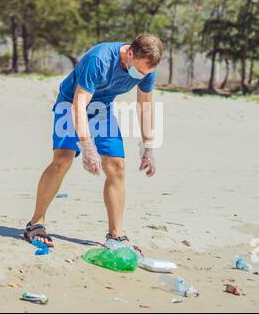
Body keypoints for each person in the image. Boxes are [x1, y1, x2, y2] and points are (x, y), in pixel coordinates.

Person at [24, 33, 164, 252]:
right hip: (71, 103)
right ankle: (36, 224)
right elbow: (78, 105)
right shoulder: (99, 59)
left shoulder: (147, 70)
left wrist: (148, 146)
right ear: (129, 53)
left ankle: (115, 236)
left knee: (117, 165)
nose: (142, 76)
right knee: (63, 161)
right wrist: (87, 147)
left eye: (147, 73)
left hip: (102, 109)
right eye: (139, 70)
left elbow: (145, 107)